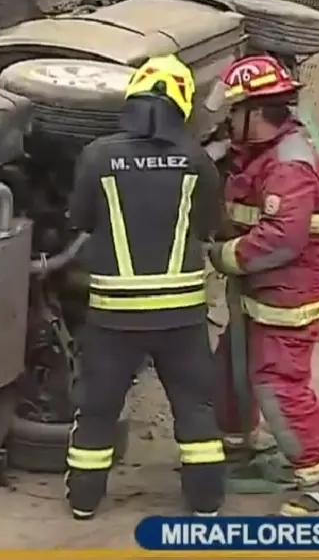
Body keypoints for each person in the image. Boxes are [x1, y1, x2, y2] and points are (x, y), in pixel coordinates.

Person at [64, 54, 227, 519]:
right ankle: (206, 502)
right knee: (195, 407)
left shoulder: (97, 155)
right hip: (181, 317)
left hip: (114, 317)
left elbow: (79, 220)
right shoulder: (196, 159)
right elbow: (209, 226)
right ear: (180, 102)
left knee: (97, 408)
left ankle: (83, 502)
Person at [205, 53, 319, 517]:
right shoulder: (258, 156)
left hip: (286, 301)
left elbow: (282, 238)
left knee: (278, 385)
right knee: (231, 365)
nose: (227, 121)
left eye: (232, 111)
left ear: (254, 113)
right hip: (259, 295)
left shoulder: (289, 167)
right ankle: (234, 449)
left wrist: (225, 256)